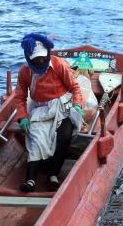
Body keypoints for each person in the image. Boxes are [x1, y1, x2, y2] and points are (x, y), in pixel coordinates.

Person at [13, 33, 94, 192]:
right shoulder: (25, 72)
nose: (41, 61)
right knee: (35, 137)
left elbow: (75, 88)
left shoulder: (58, 65)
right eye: (37, 59)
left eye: (43, 57)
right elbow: (20, 96)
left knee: (64, 135)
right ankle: (30, 179)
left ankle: (53, 174)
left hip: (63, 107)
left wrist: (77, 105)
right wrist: (22, 117)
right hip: (40, 109)